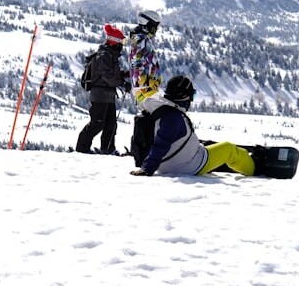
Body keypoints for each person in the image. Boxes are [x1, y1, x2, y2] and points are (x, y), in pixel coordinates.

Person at [130, 75, 255, 177]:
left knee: (206, 144)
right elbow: (161, 143)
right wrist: (147, 168)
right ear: (184, 96)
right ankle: (254, 167)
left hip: (168, 163)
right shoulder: (174, 118)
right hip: (189, 165)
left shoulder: (160, 109)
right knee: (229, 149)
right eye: (192, 95)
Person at [75, 24, 130, 155]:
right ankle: (81, 149)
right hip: (100, 95)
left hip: (107, 94)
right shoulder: (104, 55)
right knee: (97, 123)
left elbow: (110, 75)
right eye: (121, 40)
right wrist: (122, 82)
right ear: (114, 41)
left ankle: (108, 149)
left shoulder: (110, 55)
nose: (122, 43)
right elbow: (107, 76)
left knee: (111, 124)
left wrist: (125, 75)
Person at [128, 10, 162, 106]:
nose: (156, 30)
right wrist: (145, 81)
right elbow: (136, 61)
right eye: (155, 26)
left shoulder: (142, 39)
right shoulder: (140, 40)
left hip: (147, 87)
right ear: (147, 25)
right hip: (146, 88)